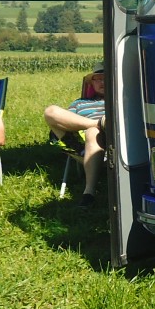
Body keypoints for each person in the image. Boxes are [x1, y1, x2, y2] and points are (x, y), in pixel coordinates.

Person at [44, 65, 106, 209]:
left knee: (92, 132)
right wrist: (97, 124)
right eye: (97, 79)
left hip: (110, 140)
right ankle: (96, 125)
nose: (102, 82)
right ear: (91, 83)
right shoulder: (79, 103)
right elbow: (62, 121)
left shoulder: (120, 101)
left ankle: (88, 193)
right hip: (80, 138)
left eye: (105, 78)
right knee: (50, 111)